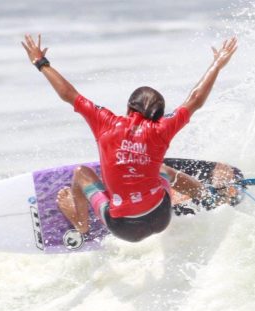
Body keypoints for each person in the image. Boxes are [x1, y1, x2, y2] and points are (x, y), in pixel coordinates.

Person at [21, 34, 238, 242]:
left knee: (80, 174)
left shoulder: (104, 122)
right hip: (161, 216)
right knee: (162, 169)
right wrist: (217, 63)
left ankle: (81, 224)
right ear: (158, 115)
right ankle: (205, 195)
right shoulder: (162, 128)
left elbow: (69, 94)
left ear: (128, 108)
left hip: (123, 228)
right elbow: (196, 99)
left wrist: (41, 62)